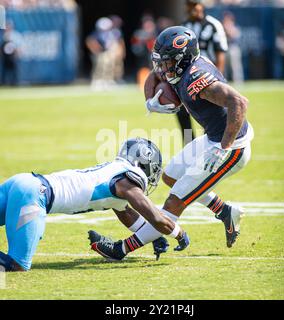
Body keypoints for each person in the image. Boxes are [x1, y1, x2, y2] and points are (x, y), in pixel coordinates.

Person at [93, 26, 254, 261]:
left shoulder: (197, 78)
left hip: (231, 147)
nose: (162, 67)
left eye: (167, 62)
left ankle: (121, 250)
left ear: (182, 59)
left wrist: (224, 147)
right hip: (212, 137)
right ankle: (224, 211)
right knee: (171, 176)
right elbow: (154, 75)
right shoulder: (179, 69)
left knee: (173, 203)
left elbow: (239, 102)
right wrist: (150, 100)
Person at [0, 138, 190, 272]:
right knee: (18, 264)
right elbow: (157, 218)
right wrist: (179, 233)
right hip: (34, 197)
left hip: (23, 182)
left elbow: (128, 214)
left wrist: (154, 237)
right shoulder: (128, 182)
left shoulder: (116, 175)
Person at [177, 0, 229, 145]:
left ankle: (210, 145)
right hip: (186, 78)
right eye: (189, 5)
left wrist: (217, 80)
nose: (192, 8)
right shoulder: (184, 26)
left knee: (208, 115)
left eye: (194, 4)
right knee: (182, 113)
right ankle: (189, 146)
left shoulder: (213, 25)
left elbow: (220, 53)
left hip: (206, 77)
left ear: (202, 5)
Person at [86, 17, 119, 90]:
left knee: (109, 67)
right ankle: (97, 81)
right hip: (100, 52)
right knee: (99, 67)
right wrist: (95, 50)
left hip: (108, 52)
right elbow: (90, 41)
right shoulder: (96, 33)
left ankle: (108, 80)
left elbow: (114, 42)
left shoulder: (111, 33)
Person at [223, 11, 244, 83]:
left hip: (233, 48)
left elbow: (235, 36)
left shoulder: (235, 27)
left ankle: (238, 82)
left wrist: (228, 29)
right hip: (225, 48)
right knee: (224, 67)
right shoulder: (222, 27)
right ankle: (224, 81)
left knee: (235, 67)